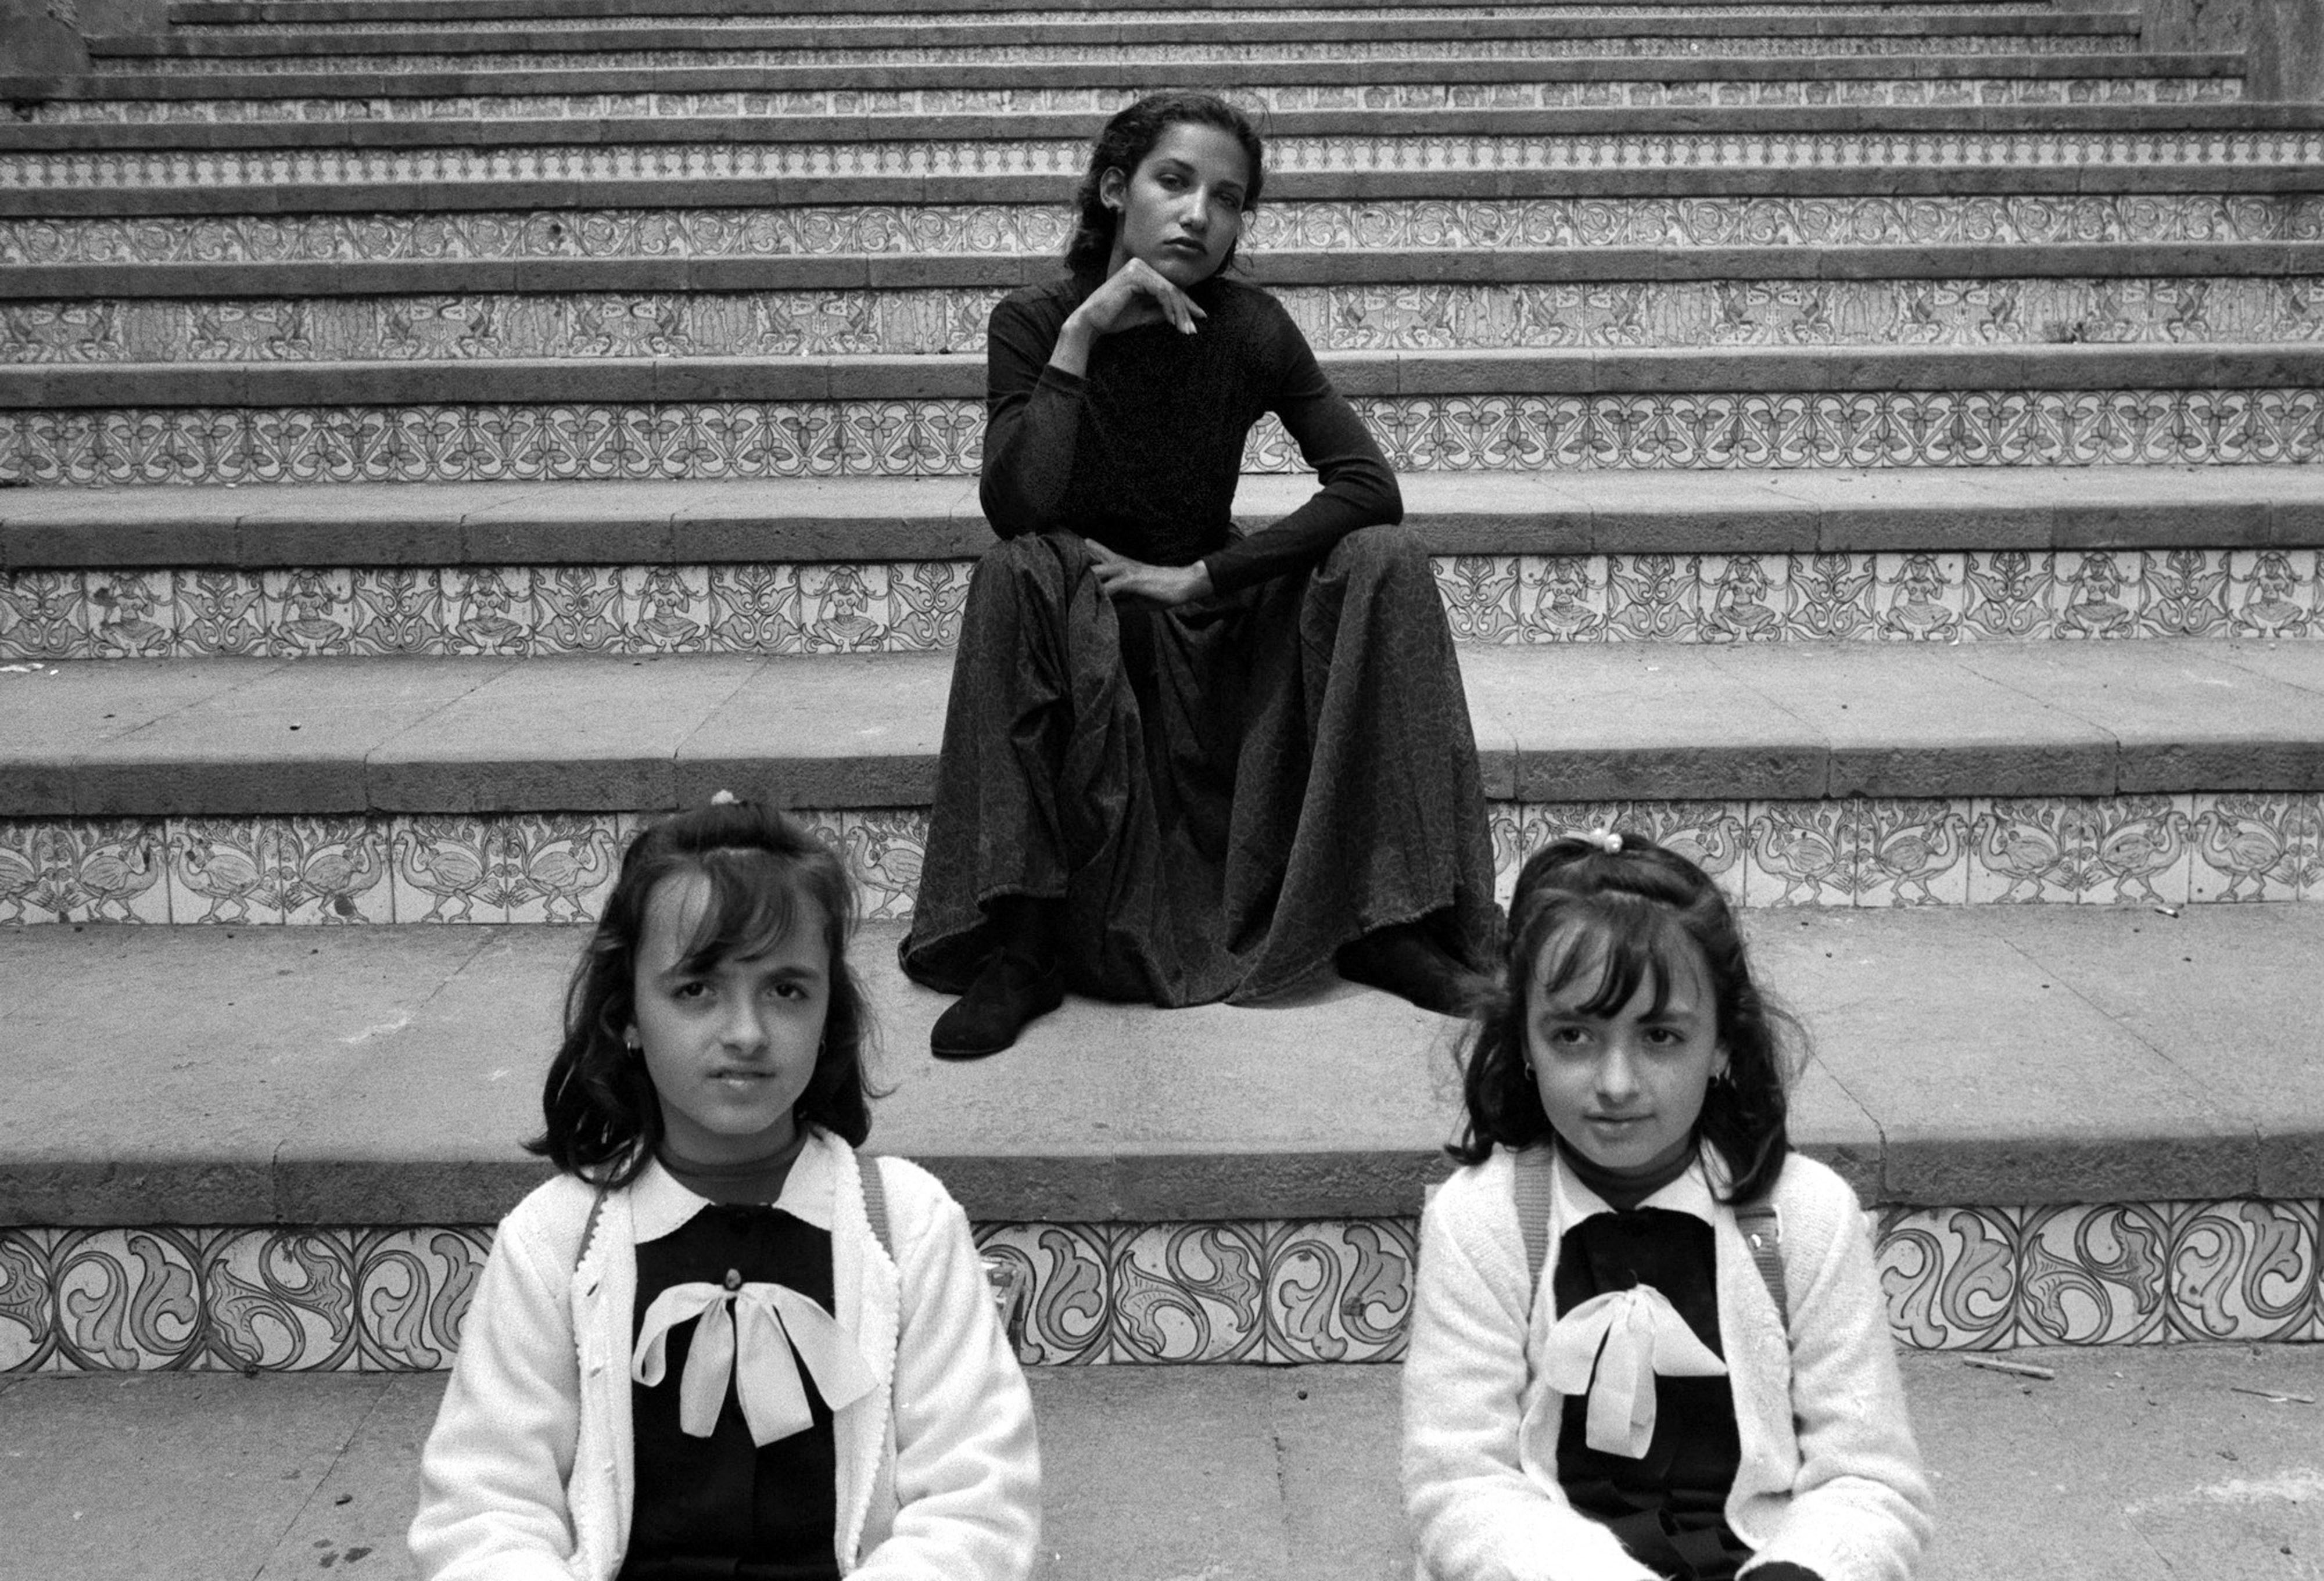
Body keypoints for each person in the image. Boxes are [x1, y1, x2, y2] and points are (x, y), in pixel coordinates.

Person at [899, 89, 1499, 1059]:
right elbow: (1017, 503)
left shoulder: (1251, 326)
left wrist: (1207, 575)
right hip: (1088, 639)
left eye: (1227, 199)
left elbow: (1366, 484)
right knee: (1014, 569)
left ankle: (1392, 918)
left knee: (1385, 560)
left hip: (1215, 636)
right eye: (1174, 183)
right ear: (1112, 189)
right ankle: (1023, 939)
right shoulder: (1034, 320)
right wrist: (1082, 335)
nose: (1199, 215)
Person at [410, 794, 1039, 1581]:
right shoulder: (552, 1244)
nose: (746, 1031)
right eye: (697, 989)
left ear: (827, 1011)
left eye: (786, 990)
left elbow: (978, 1502)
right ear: (628, 1012)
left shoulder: (908, 1228)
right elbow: (483, 1510)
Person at [1402, 831, 1932, 1581]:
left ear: (1721, 1043)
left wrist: (1805, 1570)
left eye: (1660, 1035)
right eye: (1574, 1034)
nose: (1616, 1081)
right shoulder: (1482, 1220)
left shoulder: (1806, 1216)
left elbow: (1870, 1478)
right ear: (1524, 1040)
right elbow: (1458, 1484)